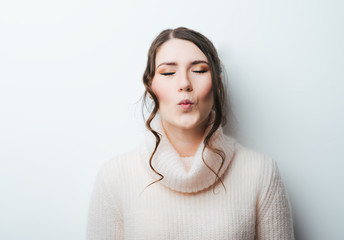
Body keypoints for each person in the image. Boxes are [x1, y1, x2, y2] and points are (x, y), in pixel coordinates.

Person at [86, 27, 294, 239]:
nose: (184, 83)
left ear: (217, 86)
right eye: (168, 73)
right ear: (150, 87)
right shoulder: (114, 178)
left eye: (199, 70)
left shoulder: (261, 173)